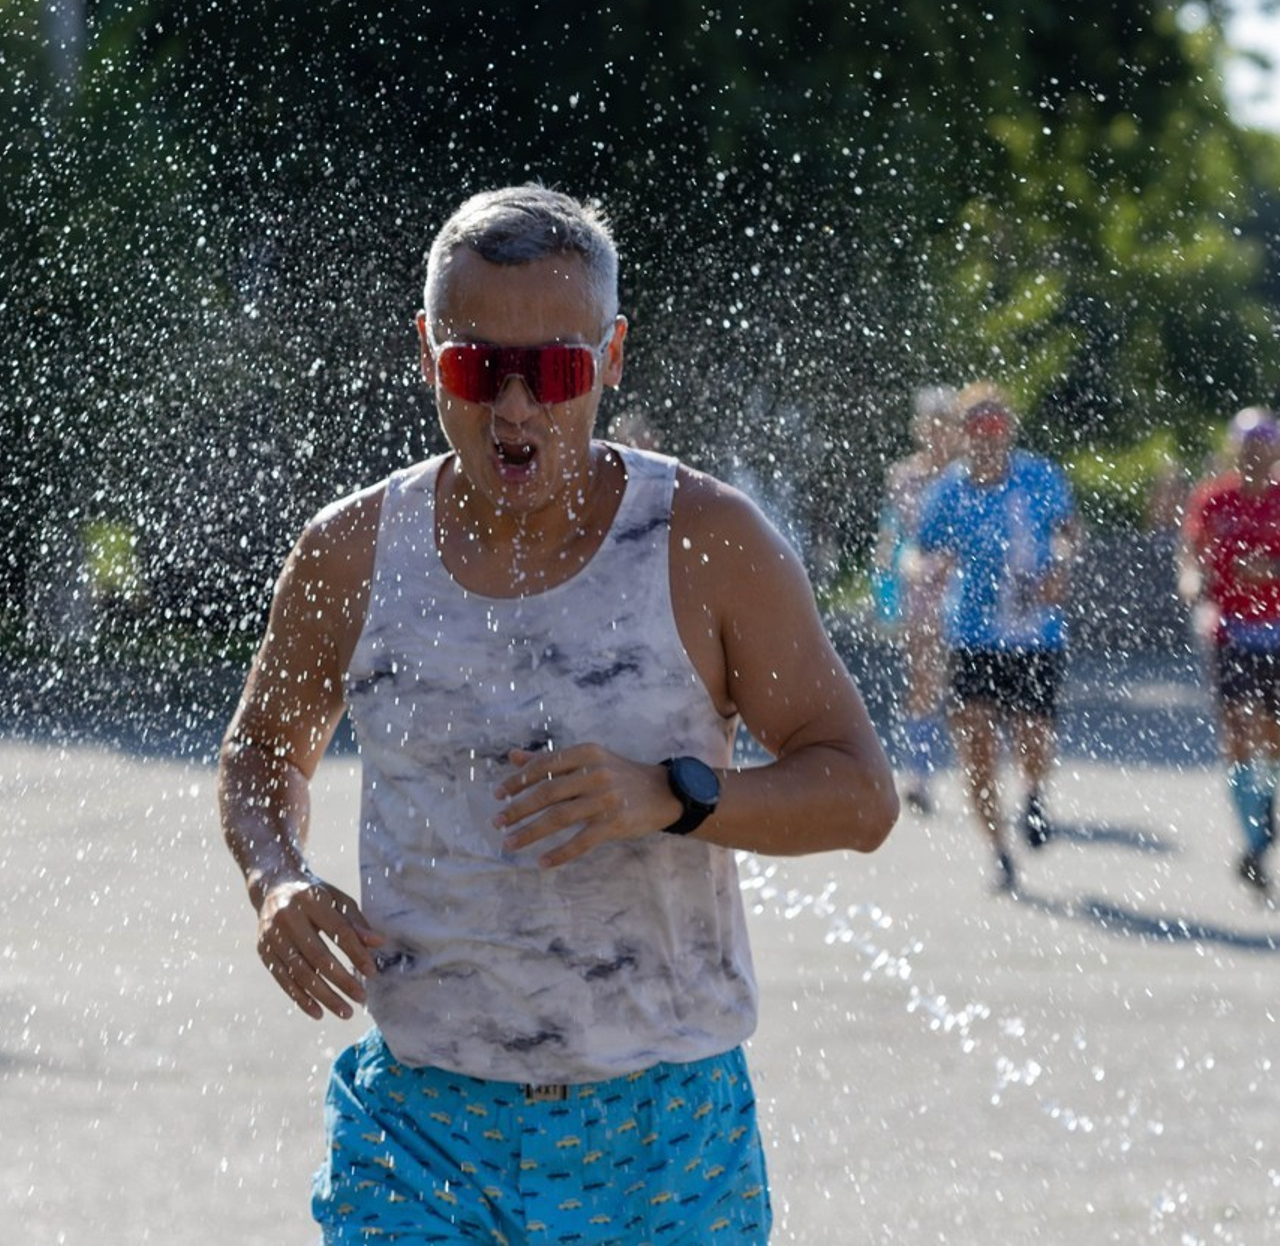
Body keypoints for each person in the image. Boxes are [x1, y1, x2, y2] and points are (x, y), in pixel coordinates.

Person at [218, 183, 899, 1243]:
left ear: (611, 357)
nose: (515, 408)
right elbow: (262, 747)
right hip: (420, 1130)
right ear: (426, 353)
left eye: (555, 370)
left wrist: (670, 795)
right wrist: (276, 877)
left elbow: (859, 794)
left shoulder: (705, 543)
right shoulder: (349, 552)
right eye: (475, 367)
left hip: (663, 1134)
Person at [916, 381, 1080, 894]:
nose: (987, 435)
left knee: (1033, 735)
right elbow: (921, 548)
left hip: (1034, 633)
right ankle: (999, 851)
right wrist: (928, 569)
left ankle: (1032, 793)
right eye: (977, 425)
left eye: (997, 424)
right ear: (961, 433)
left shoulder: (1039, 476)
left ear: (1009, 429)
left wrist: (1061, 567)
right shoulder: (948, 490)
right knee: (977, 750)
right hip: (971, 632)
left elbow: (1068, 531)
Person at [1179, 406, 1280, 900]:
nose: (1255, 456)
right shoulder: (1214, 497)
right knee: (1237, 731)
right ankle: (1255, 839)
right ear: (1235, 451)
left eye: (1264, 446)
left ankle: (1265, 811)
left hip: (1277, 633)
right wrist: (1191, 581)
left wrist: (1271, 571)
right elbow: (1191, 552)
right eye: (1247, 448)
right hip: (1231, 631)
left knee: (1273, 735)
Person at [872, 385, 960, 814]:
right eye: (933, 425)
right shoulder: (905, 476)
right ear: (921, 429)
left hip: (965, 590)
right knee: (923, 678)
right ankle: (919, 772)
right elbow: (893, 534)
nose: (939, 434)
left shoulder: (966, 476)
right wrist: (884, 588)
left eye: (946, 425)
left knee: (965, 686)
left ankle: (972, 768)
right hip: (921, 588)